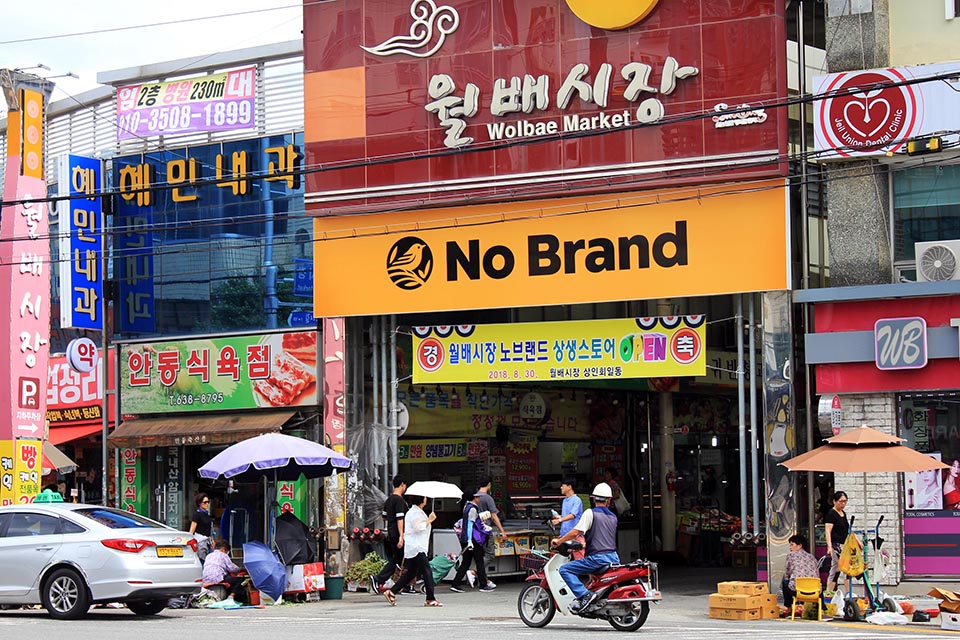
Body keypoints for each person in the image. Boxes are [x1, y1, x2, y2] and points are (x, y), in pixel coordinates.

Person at [551, 482, 620, 613]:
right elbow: (603, 537)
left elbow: (576, 532)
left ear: (593, 498)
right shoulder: (613, 517)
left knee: (565, 569)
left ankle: (584, 595)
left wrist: (559, 541)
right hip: (614, 557)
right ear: (609, 500)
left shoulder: (590, 513)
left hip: (597, 559)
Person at [381, 494, 443, 607]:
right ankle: (430, 598)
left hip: (416, 546)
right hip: (416, 547)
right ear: (422, 499)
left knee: (411, 573)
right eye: (425, 497)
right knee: (427, 570)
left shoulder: (416, 511)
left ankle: (392, 592)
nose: (426, 499)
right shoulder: (414, 513)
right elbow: (418, 527)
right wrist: (429, 520)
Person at [449, 492, 494, 593]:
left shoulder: (466, 507)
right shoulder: (473, 509)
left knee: (466, 562)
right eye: (478, 497)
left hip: (465, 539)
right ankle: (483, 585)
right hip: (474, 540)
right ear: (475, 498)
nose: (479, 499)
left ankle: (455, 583)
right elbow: (470, 525)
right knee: (479, 561)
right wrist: (470, 541)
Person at [370, 475, 407, 594]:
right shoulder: (399, 500)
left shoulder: (389, 500)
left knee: (399, 559)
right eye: (405, 485)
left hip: (391, 533)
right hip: (397, 533)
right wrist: (401, 536)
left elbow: (384, 516)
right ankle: (379, 578)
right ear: (402, 484)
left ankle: (402, 584)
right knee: (399, 559)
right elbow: (400, 519)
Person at [475, 476, 506, 590]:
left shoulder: (474, 497)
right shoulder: (488, 498)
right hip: (486, 531)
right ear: (489, 484)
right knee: (490, 554)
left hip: (475, 531)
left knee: (480, 555)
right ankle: (475, 572)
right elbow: (494, 516)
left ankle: (484, 580)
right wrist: (502, 531)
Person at [781, 534, 820, 609]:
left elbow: (786, 574)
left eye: (792, 545)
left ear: (800, 545)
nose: (790, 547)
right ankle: (821, 608)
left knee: (785, 581)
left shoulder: (791, 555)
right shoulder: (812, 557)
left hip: (799, 591)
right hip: (815, 591)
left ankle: (788, 607)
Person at [551, 478, 584, 559]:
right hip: (564, 535)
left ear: (569, 487)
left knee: (577, 560)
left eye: (563, 486)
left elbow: (572, 515)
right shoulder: (564, 501)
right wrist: (559, 517)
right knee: (564, 559)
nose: (561, 487)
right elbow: (566, 516)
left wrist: (559, 520)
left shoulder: (577, 500)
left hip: (574, 536)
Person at [824, 490, 849, 591]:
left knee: (837, 567)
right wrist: (829, 546)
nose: (843, 504)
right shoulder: (831, 514)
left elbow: (848, 530)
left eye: (845, 501)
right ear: (834, 501)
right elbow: (828, 531)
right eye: (841, 501)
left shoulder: (843, 513)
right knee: (842, 566)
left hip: (844, 544)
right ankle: (831, 591)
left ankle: (831, 590)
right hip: (836, 545)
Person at [189, 492, 215, 562]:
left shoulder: (207, 514)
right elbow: (192, 530)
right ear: (199, 503)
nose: (207, 504)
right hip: (200, 541)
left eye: (208, 502)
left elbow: (210, 528)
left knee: (209, 561)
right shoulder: (197, 515)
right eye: (205, 502)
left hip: (208, 541)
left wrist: (212, 540)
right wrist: (190, 540)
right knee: (202, 561)